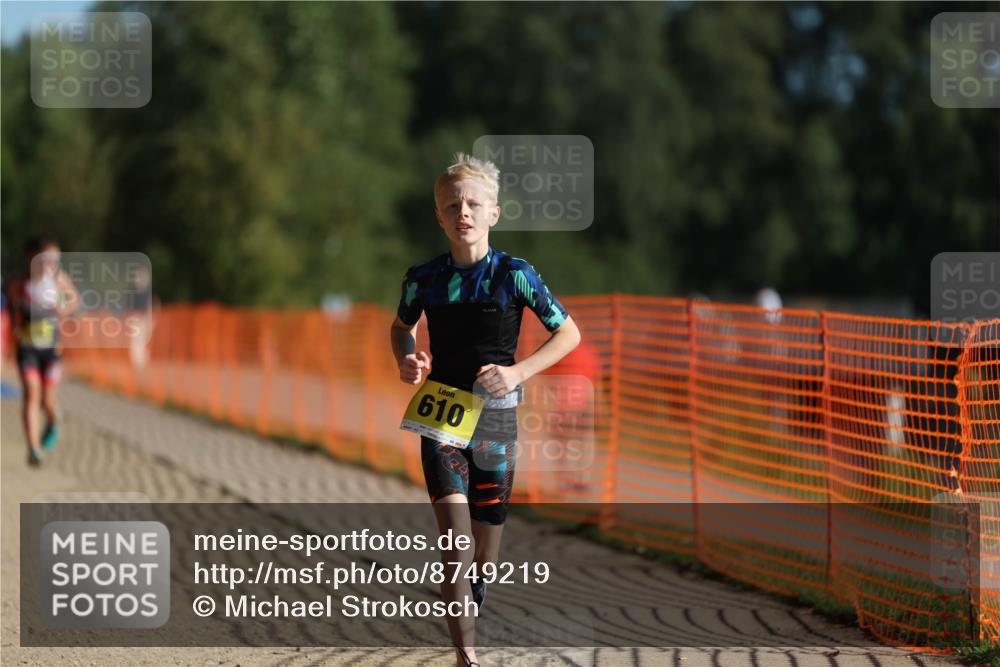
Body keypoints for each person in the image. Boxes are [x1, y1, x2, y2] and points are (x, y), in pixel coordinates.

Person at [390, 153, 581, 667]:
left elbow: (569, 332)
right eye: (452, 205)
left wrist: (517, 373)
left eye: (474, 203)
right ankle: (465, 655)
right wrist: (408, 359)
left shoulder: (515, 275)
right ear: (439, 215)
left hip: (495, 419)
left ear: (494, 212)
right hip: (442, 418)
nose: (463, 212)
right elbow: (401, 327)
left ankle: (472, 601)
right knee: (456, 543)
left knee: (483, 557)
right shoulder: (423, 279)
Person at [6, 237, 79, 466]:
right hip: (27, 348)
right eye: (46, 259)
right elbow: (10, 305)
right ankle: (34, 448)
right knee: (31, 394)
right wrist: (16, 321)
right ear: (32, 258)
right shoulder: (20, 283)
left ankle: (54, 420)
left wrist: (63, 307)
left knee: (47, 401)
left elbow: (74, 301)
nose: (51, 264)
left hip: (51, 350)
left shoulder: (60, 280)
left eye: (55, 260)